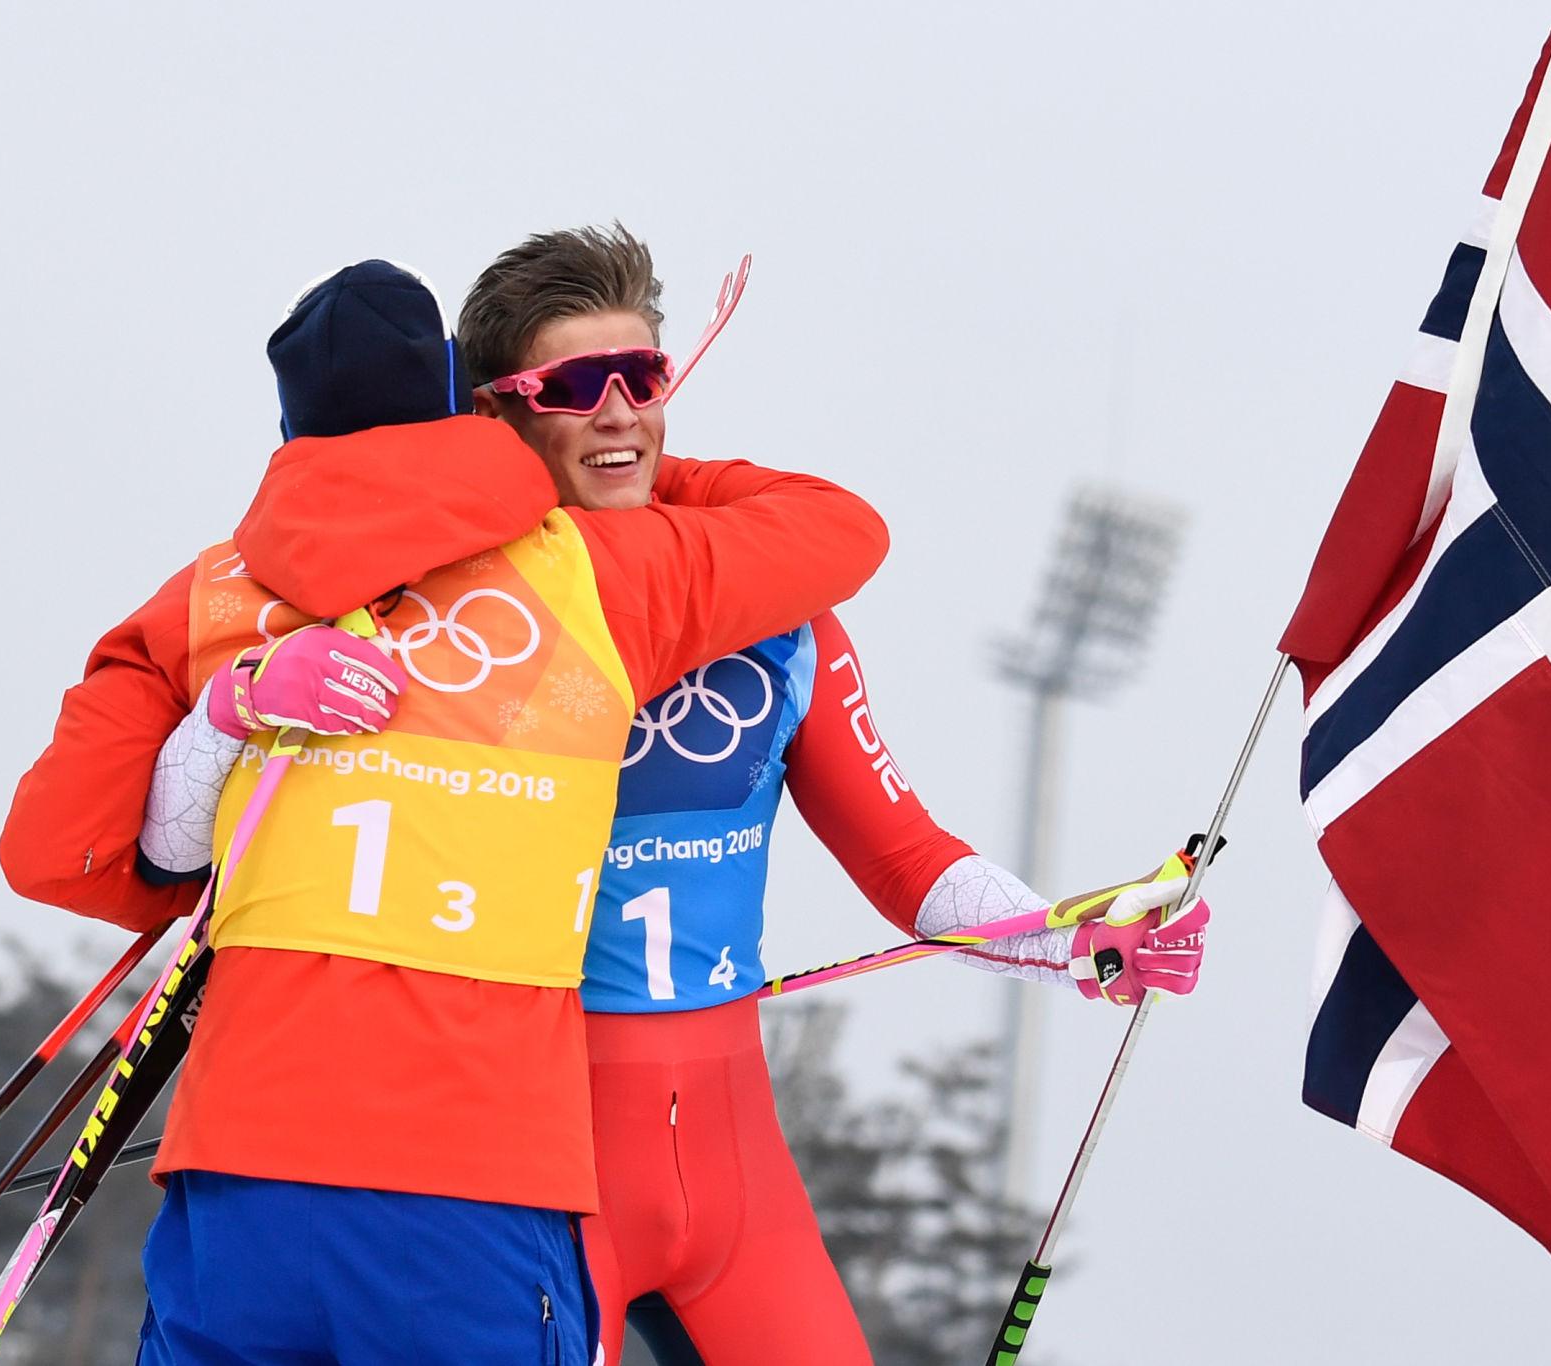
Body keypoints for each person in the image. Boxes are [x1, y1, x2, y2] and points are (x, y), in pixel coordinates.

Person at [0, 258, 891, 1364]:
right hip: (473, 1182)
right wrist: (620, 448)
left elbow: (54, 851)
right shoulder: (602, 577)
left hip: (235, 1179)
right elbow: (839, 529)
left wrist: (229, 725)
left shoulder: (213, 595)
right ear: (464, 408)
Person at [456, 227, 1213, 1364]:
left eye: (642, 377)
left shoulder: (781, 613)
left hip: (735, 1173)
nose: (617, 411)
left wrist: (1073, 935)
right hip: (539, 1168)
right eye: (573, 386)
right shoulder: (469, 624)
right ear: (502, 414)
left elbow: (903, 855)